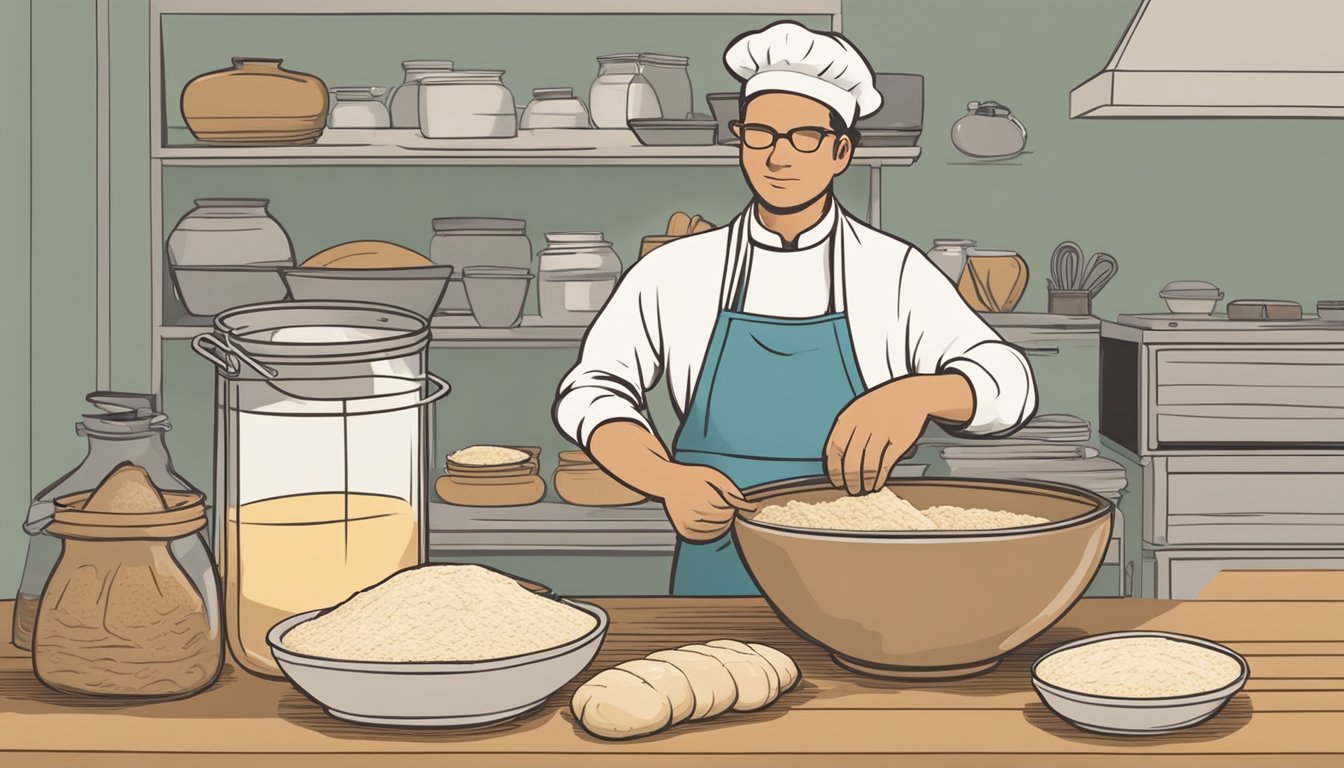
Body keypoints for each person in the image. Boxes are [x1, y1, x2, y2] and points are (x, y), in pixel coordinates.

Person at [553, 21, 1037, 596]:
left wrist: (919, 393)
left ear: (841, 151)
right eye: (760, 133)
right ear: (739, 139)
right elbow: (592, 391)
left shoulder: (892, 271)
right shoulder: (676, 270)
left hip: (858, 562)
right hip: (722, 552)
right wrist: (665, 480)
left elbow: (1010, 384)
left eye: (803, 136)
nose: (778, 156)